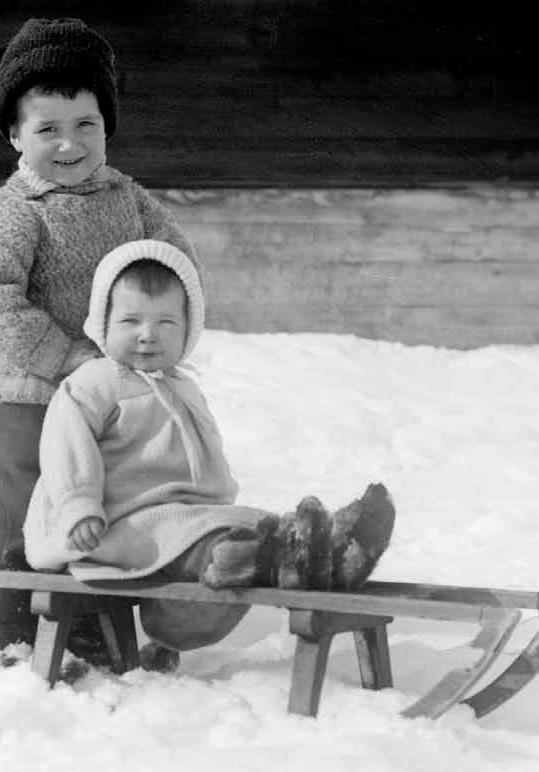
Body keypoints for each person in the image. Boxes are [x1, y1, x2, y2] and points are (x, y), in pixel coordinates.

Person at [23, 240, 396, 669]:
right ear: (102, 323)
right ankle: (285, 553)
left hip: (178, 522)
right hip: (114, 523)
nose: (148, 334)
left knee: (245, 530)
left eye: (165, 321)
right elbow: (64, 445)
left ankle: (327, 553)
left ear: (188, 330)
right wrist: (78, 506)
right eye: (131, 320)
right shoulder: (96, 381)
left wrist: (218, 505)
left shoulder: (183, 387)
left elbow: (205, 459)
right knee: (230, 545)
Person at [0, 17, 198, 665]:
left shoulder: (130, 202)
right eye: (47, 129)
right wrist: (67, 357)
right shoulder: (15, 211)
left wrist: (157, 332)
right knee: (23, 502)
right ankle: (3, 624)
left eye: (84, 124)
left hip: (113, 404)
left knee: (105, 506)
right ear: (14, 134)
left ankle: (88, 619)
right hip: (32, 398)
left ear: (106, 125)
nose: (69, 144)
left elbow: (173, 268)